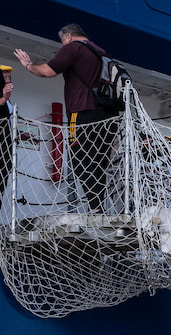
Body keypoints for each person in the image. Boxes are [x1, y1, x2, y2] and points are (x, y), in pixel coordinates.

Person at [14, 24, 119, 213]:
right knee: (100, 160)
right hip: (108, 115)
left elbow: (48, 71)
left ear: (68, 36)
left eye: (62, 41)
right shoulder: (101, 53)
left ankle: (95, 209)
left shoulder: (73, 48)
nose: (62, 45)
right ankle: (98, 207)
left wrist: (28, 65)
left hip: (82, 111)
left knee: (80, 158)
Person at [0, 64, 14, 221]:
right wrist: (3, 98)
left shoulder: (4, 96)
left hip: (4, 143)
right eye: (4, 73)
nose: (8, 75)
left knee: (0, 180)